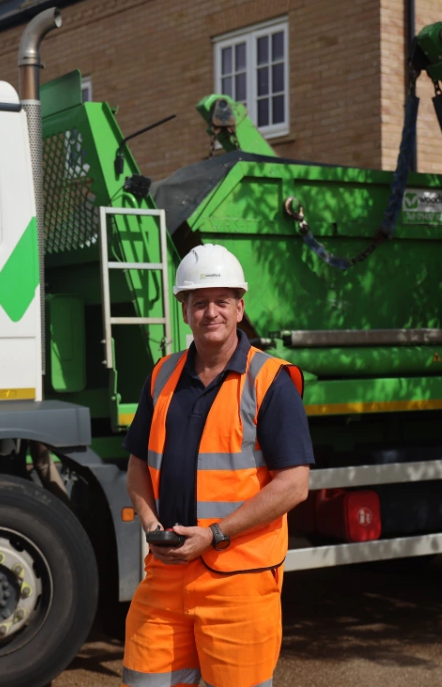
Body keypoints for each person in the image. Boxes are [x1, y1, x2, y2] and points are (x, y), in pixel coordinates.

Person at [121, 243, 314, 687]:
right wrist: (151, 525)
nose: (212, 313)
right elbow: (137, 465)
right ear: (183, 309)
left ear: (240, 307)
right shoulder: (162, 375)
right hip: (166, 577)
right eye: (200, 302)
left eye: (222, 302)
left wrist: (214, 534)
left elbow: (294, 485)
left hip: (239, 583)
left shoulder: (270, 380)